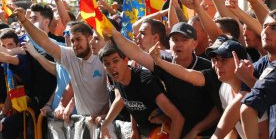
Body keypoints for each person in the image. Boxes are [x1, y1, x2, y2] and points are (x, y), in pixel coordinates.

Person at [104, 22, 220, 138]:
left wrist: (196, 130)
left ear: (194, 44)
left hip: (206, 134)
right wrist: (113, 32)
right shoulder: (163, 62)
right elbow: (136, 53)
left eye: (184, 40)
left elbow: (218, 108)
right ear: (169, 42)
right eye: (174, 39)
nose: (178, 44)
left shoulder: (208, 67)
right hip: (178, 131)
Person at [13, 7, 110, 138]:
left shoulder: (104, 58)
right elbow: (44, 41)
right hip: (81, 125)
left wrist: (105, 115)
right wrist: (24, 20)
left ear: (90, 38)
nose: (75, 44)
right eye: (73, 40)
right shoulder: (70, 55)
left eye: (79, 39)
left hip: (105, 125)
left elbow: (116, 92)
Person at [98, 41, 184, 138]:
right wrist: (134, 129)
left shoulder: (146, 82)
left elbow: (178, 118)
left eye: (115, 61)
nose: (111, 66)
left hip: (165, 131)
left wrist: (166, 120)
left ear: (126, 60)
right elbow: (128, 101)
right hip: (144, 131)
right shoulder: (117, 78)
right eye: (107, 63)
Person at [240, 5, 276, 138]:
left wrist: (249, 80)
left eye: (273, 27)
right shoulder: (255, 68)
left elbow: (248, 107)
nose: (265, 32)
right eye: (264, 26)